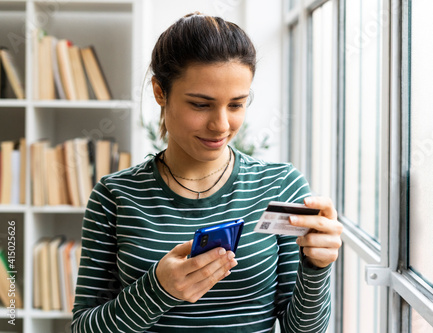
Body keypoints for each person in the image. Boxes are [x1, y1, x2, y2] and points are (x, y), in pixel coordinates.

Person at [72, 12, 343, 333]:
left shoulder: (280, 185)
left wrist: (316, 267)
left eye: (236, 104)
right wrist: (157, 290)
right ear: (160, 92)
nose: (221, 125)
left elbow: (303, 331)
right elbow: (83, 328)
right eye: (201, 105)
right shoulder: (114, 196)